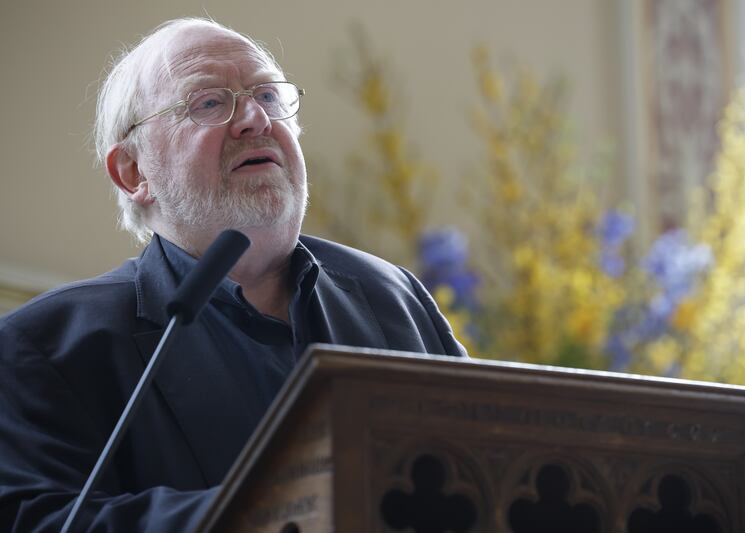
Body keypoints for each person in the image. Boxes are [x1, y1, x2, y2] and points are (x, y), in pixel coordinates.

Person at [0, 18, 466, 532]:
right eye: (208, 103)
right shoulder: (46, 346)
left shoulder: (394, 297)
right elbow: (39, 521)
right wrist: (292, 508)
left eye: (268, 94)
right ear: (134, 172)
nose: (255, 119)